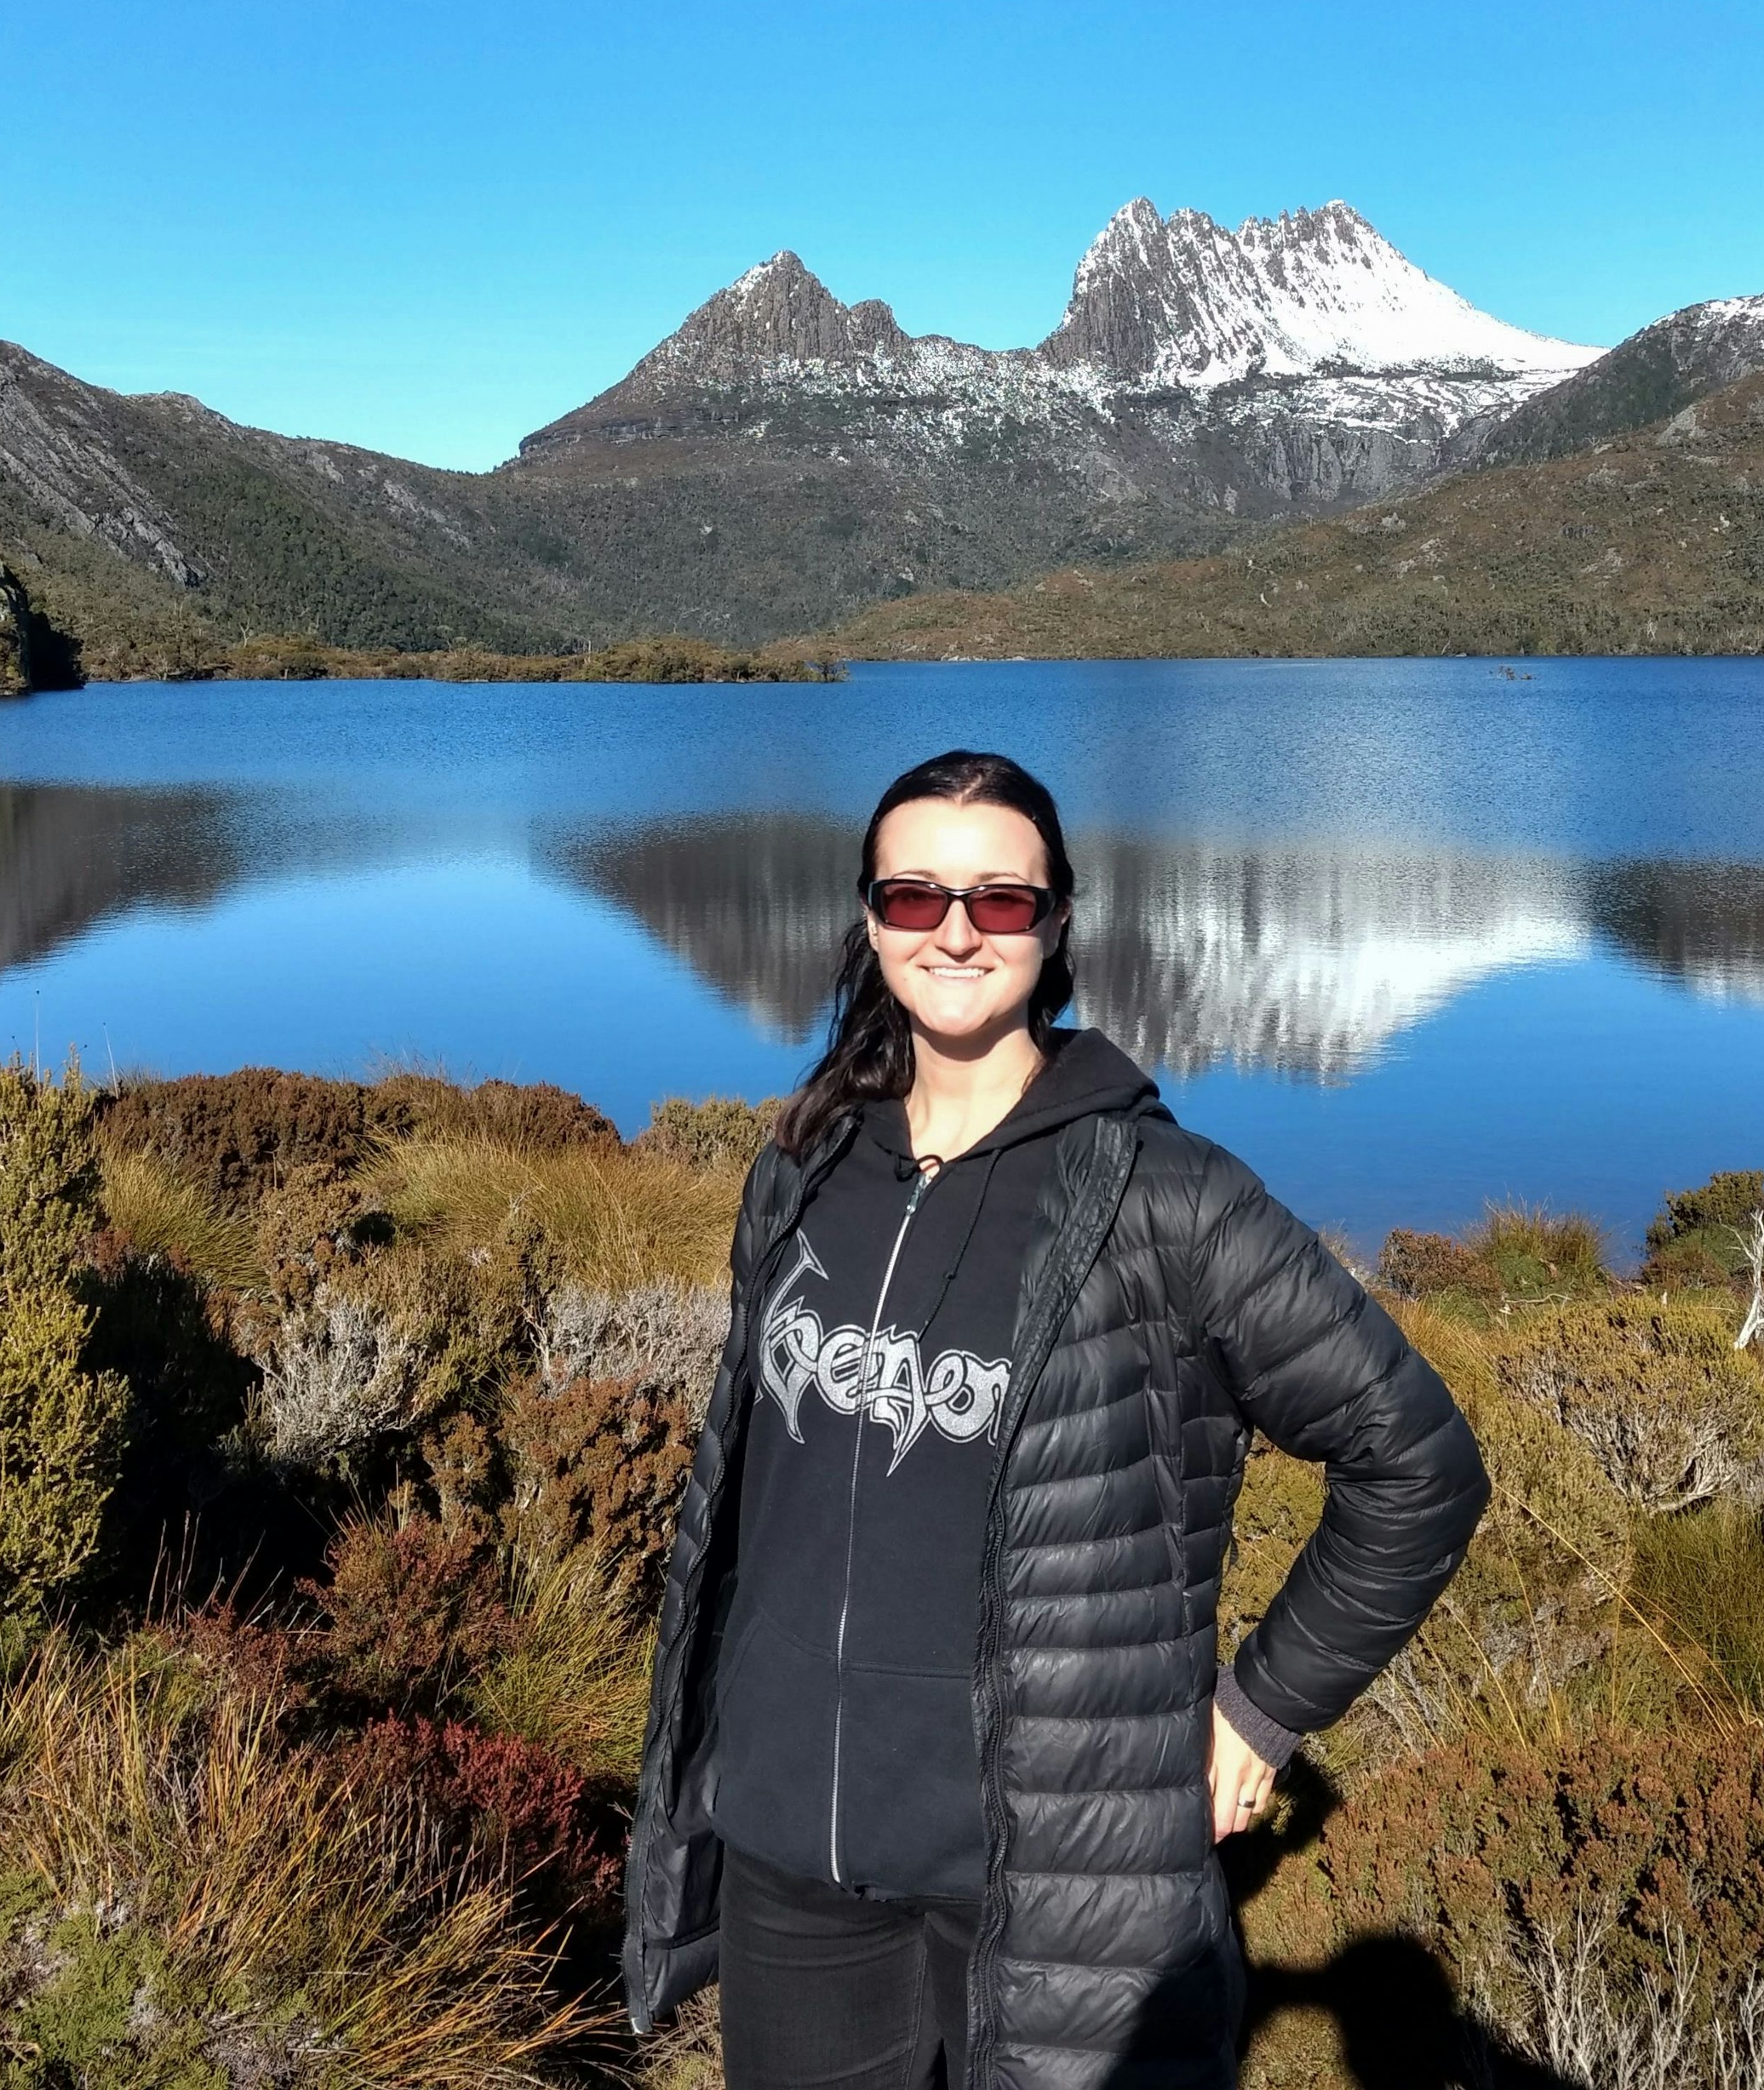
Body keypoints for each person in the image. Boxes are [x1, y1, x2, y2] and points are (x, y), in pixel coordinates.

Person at [625, 751, 1489, 2090]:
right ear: (869, 922)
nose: (955, 930)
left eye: (998, 900)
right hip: (795, 1860)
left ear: (1058, 922)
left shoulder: (1170, 1199)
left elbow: (1417, 1461)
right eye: (913, 898)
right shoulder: (801, 1164)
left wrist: (1262, 1712)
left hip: (1056, 1882)